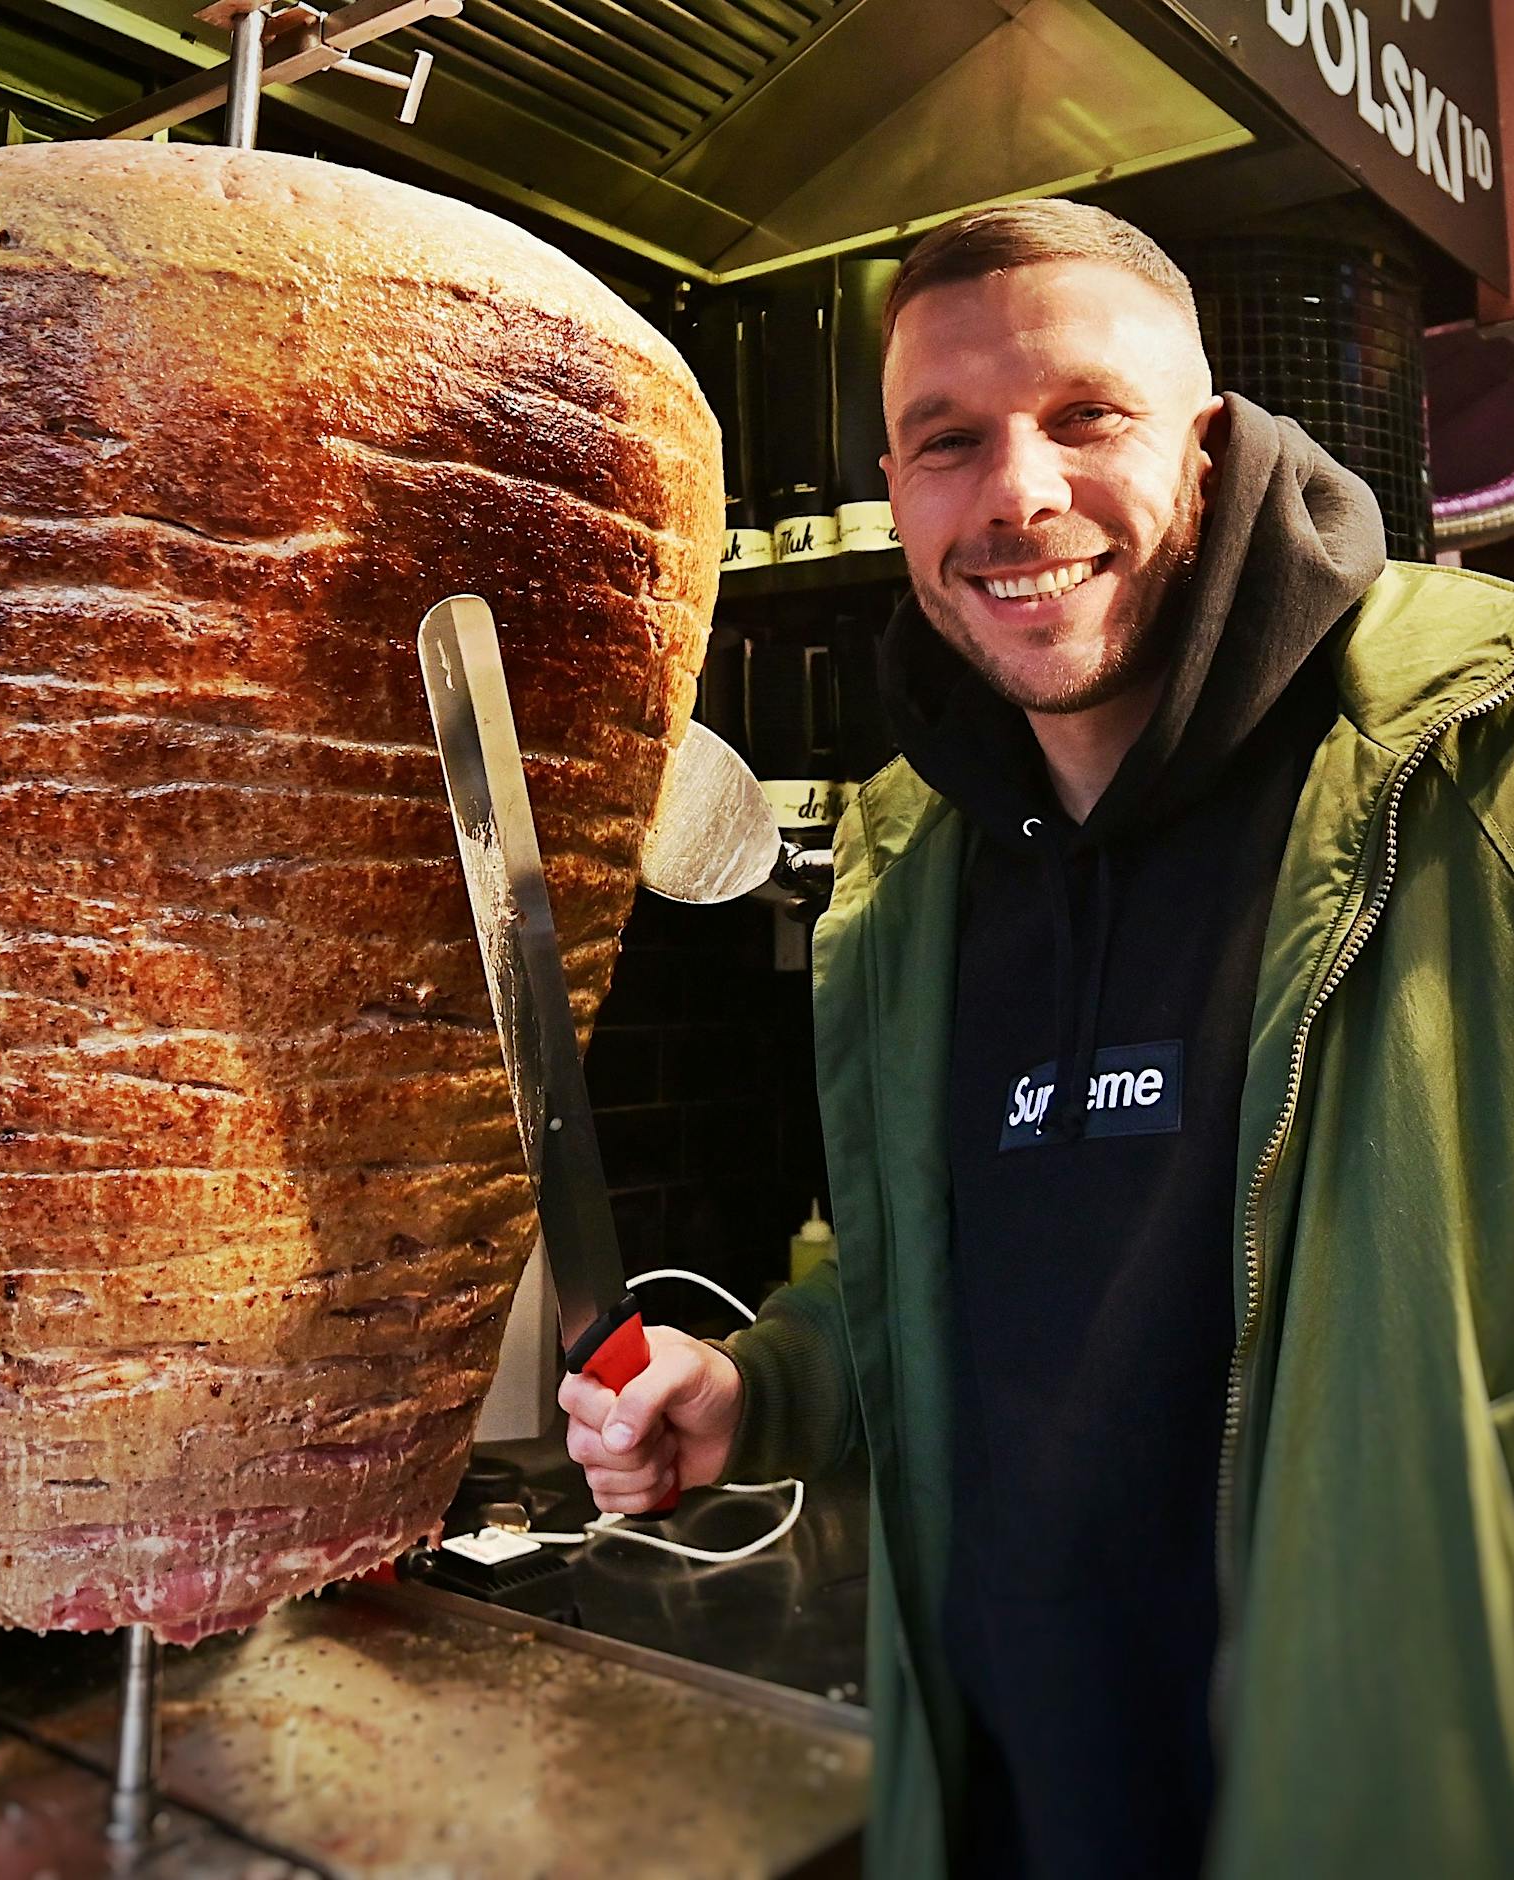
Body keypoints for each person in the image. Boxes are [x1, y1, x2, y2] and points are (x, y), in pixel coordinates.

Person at [561, 200, 1514, 1879]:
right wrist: (756, 1389)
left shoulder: (1465, 768)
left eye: (1087, 417)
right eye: (950, 442)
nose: (1017, 491)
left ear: (1214, 446)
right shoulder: (917, 866)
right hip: (1006, 1814)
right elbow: (935, 1273)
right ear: (897, 483)